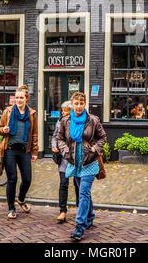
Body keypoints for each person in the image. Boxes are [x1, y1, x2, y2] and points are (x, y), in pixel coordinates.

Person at [57, 91, 107, 241]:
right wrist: (65, 151)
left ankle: (80, 227)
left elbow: (102, 137)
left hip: (89, 161)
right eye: (76, 104)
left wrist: (95, 149)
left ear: (85, 104)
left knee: (83, 192)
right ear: (72, 105)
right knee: (83, 192)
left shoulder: (93, 120)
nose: (79, 107)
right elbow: (59, 139)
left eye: (81, 104)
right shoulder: (65, 121)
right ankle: (90, 216)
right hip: (74, 162)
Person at [0, 84, 38, 219]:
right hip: (9, 150)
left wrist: (35, 151)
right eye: (16, 98)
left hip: (24, 150)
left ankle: (20, 199)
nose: (18, 100)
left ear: (26, 99)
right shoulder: (8, 111)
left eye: (21, 98)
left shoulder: (32, 114)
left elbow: (35, 134)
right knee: (12, 179)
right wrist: (3, 130)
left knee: (27, 179)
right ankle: (11, 208)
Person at [51, 100, 79, 223]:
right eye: (62, 110)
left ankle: (80, 208)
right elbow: (55, 135)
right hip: (63, 157)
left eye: (65, 111)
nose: (63, 113)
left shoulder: (78, 121)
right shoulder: (59, 121)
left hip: (75, 158)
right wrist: (54, 145)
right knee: (63, 183)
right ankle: (62, 211)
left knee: (78, 184)